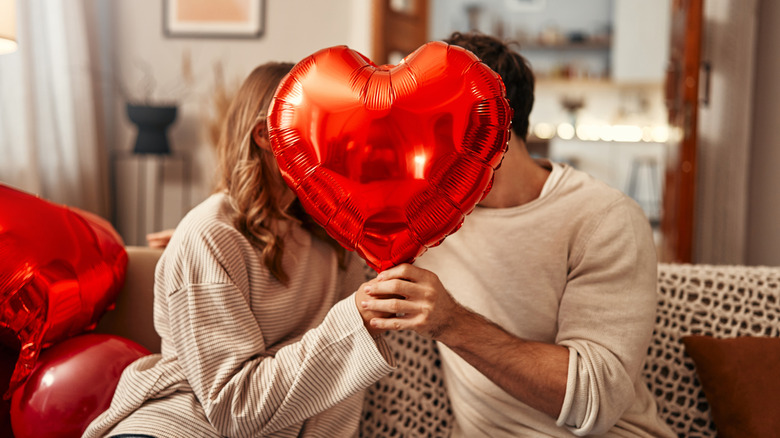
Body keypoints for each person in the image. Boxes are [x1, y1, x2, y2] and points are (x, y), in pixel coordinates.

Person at [360, 32, 676, 437]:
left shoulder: (604, 218)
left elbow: (593, 401)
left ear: (490, 121)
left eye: (430, 118)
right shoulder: (421, 215)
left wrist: (452, 322)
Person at [83, 62, 395, 438]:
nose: (340, 137)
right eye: (321, 120)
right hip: (181, 425)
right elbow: (235, 407)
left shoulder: (334, 241)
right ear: (265, 135)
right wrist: (354, 321)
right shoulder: (210, 233)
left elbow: (337, 392)